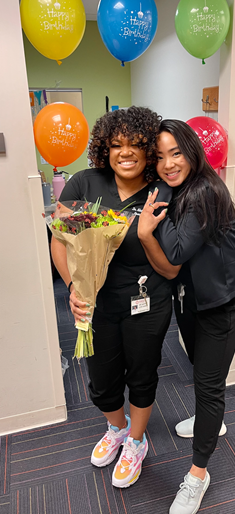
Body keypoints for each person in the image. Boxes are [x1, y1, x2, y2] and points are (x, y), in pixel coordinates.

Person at [51, 106, 179, 489]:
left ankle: (136, 442)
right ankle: (117, 428)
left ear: (148, 149)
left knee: (142, 373)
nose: (126, 152)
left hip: (148, 300)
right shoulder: (85, 185)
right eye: (116, 144)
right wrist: (75, 288)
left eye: (136, 144)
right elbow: (60, 241)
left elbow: (173, 255)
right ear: (104, 148)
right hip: (97, 303)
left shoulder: (163, 192)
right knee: (102, 381)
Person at [138, 119, 235, 513]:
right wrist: (165, 193)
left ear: (191, 150)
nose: (168, 163)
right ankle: (210, 419)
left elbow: (177, 252)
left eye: (176, 153)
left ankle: (198, 475)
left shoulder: (203, 191)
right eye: (161, 157)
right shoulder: (180, 187)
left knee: (208, 384)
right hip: (192, 300)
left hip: (221, 303)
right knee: (199, 366)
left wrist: (151, 224)